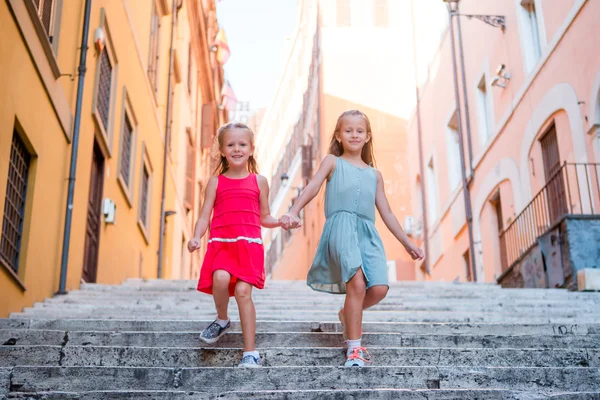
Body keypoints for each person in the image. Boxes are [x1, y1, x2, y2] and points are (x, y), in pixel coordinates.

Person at [280, 110, 425, 367]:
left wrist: (408, 243)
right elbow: (313, 186)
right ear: (338, 135)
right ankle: (354, 350)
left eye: (360, 131)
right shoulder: (332, 162)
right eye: (348, 130)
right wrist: (293, 210)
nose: (354, 134)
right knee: (356, 283)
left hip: (367, 232)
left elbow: (388, 212)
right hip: (340, 227)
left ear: (368, 137)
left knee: (379, 288)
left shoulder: (375, 174)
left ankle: (347, 313)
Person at [188, 122, 281, 368]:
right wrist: (196, 236)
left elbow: (264, 217)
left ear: (251, 149)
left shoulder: (259, 181)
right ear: (222, 150)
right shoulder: (215, 183)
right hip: (221, 245)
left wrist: (281, 222)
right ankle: (222, 320)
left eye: (242, 144)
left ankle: (250, 352)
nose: (236, 149)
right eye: (231, 145)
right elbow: (204, 215)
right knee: (219, 278)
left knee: (242, 292)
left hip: (249, 247)